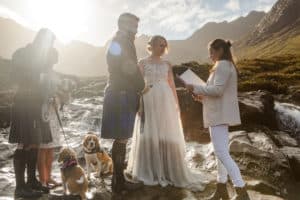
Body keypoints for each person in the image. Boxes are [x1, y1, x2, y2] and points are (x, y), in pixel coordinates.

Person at [125, 35, 206, 191]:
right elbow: (136, 84)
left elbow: (171, 85)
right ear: (152, 46)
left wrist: (176, 104)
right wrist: (137, 105)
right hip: (148, 98)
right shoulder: (142, 63)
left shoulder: (168, 64)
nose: (162, 48)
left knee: (165, 130)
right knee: (149, 131)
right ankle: (149, 169)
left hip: (165, 99)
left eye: (164, 45)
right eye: (159, 45)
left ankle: (168, 169)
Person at [184, 39, 250, 200]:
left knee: (221, 152)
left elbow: (218, 90)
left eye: (212, 52)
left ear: (220, 50)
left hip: (218, 115)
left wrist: (195, 87)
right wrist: (201, 97)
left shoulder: (222, 65)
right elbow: (218, 93)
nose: (210, 55)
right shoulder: (227, 65)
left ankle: (241, 190)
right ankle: (221, 189)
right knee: (222, 152)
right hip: (219, 113)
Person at [9, 28, 57, 198]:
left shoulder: (42, 58)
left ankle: (31, 182)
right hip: (24, 103)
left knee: (36, 142)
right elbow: (14, 78)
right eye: (49, 42)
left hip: (37, 105)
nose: (51, 46)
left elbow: (45, 80)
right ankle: (20, 188)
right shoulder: (21, 54)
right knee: (24, 143)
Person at [100, 13, 145, 194]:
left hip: (116, 92)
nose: (136, 29)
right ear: (126, 25)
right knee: (121, 139)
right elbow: (130, 67)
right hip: (122, 94)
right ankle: (119, 183)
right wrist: (142, 88)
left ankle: (117, 180)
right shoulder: (124, 41)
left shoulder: (117, 40)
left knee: (120, 139)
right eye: (134, 25)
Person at [38, 65, 64, 189]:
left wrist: (57, 98)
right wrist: (48, 99)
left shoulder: (53, 73)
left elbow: (58, 90)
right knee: (43, 149)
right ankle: (43, 179)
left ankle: (49, 177)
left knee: (51, 148)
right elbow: (39, 93)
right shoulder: (41, 74)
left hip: (53, 114)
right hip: (44, 115)